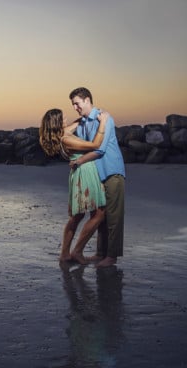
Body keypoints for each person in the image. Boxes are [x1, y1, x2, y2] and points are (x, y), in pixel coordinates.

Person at [39, 108, 110, 264]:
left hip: (79, 172)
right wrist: (103, 122)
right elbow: (95, 144)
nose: (66, 118)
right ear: (57, 122)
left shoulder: (62, 134)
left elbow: (76, 124)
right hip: (85, 172)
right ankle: (77, 251)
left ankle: (65, 254)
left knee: (77, 216)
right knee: (99, 213)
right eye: (62, 117)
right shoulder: (66, 139)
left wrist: (88, 114)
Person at [66, 87, 126, 268]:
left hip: (112, 171)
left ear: (87, 100)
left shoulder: (104, 118)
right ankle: (101, 252)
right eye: (73, 105)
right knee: (100, 214)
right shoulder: (83, 123)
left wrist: (79, 162)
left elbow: (99, 150)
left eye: (77, 103)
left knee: (114, 216)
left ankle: (112, 256)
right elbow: (77, 141)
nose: (75, 107)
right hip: (96, 175)